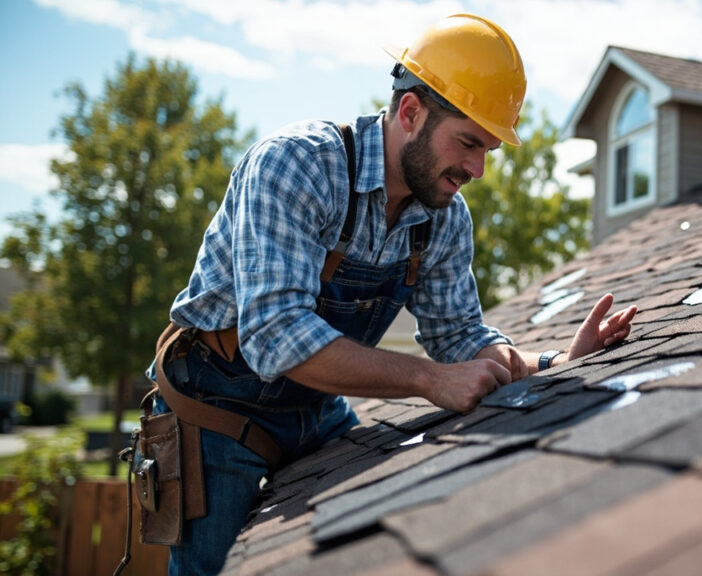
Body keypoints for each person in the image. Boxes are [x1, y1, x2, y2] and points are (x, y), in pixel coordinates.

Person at [148, 13, 637, 575]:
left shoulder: (444, 217)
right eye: (468, 142)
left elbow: (460, 338)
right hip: (214, 412)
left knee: (360, 547)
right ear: (410, 112)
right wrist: (429, 380)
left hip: (315, 408)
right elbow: (275, 336)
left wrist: (554, 362)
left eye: (488, 151)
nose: (477, 169)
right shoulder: (296, 165)